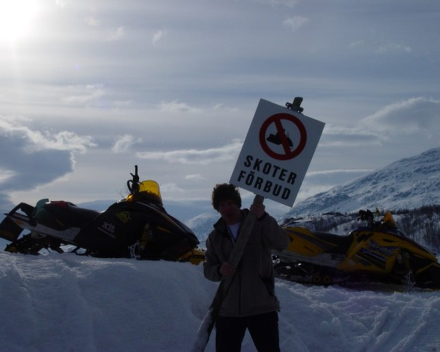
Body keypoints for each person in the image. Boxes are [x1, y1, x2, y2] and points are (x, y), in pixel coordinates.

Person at [203, 184, 290, 352]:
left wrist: (264, 217)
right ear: (217, 209)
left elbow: (283, 243)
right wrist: (219, 270)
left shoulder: (258, 223)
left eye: (230, 203)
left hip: (261, 305)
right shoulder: (215, 237)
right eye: (222, 205)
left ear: (238, 203)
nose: (227, 208)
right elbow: (208, 269)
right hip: (228, 310)